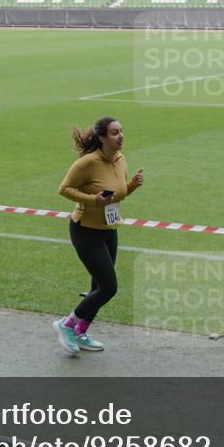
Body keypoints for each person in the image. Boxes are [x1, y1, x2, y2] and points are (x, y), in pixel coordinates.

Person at [53, 116, 144, 355]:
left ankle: (81, 331)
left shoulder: (120, 159)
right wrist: (93, 200)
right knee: (108, 287)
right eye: (114, 133)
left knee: (97, 286)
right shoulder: (88, 162)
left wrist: (132, 185)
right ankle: (66, 325)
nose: (121, 136)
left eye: (121, 131)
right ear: (102, 138)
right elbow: (64, 189)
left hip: (108, 230)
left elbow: (117, 194)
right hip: (85, 230)